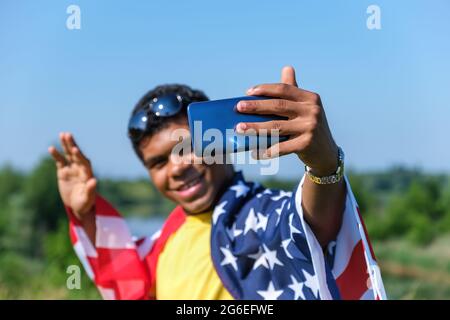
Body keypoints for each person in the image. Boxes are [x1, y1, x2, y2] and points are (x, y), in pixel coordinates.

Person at [48, 66, 386, 300]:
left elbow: (313, 225)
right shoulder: (163, 243)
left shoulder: (260, 216)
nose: (177, 167)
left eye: (187, 147)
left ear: (220, 143)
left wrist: (323, 164)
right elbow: (127, 281)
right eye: (158, 162)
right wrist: (87, 215)